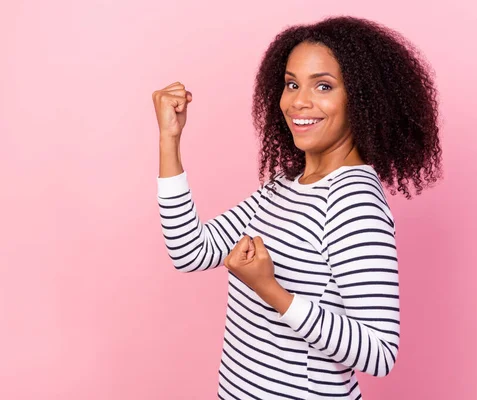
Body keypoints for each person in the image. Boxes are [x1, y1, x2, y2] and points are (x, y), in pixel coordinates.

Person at [152, 15, 442, 400]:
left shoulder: (353, 201)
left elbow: (379, 353)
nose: (298, 101)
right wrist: (169, 140)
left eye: (323, 86)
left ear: (363, 97)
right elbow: (190, 251)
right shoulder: (284, 187)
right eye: (291, 84)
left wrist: (271, 290)